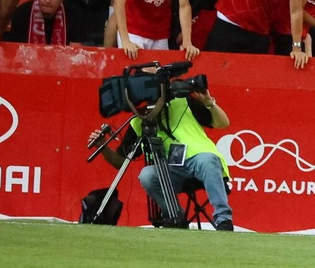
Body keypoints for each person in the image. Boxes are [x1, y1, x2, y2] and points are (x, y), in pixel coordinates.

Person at [90, 71, 235, 230]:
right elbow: (120, 161)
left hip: (200, 160)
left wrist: (209, 103)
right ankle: (175, 217)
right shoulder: (139, 121)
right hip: (172, 172)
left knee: (206, 160)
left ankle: (223, 220)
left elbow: (223, 123)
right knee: (147, 174)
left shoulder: (182, 101)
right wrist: (102, 145)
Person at [5, 0, 76, 44]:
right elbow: (16, 49)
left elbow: (77, 51)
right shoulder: (21, 13)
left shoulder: (75, 15)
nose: (48, 1)